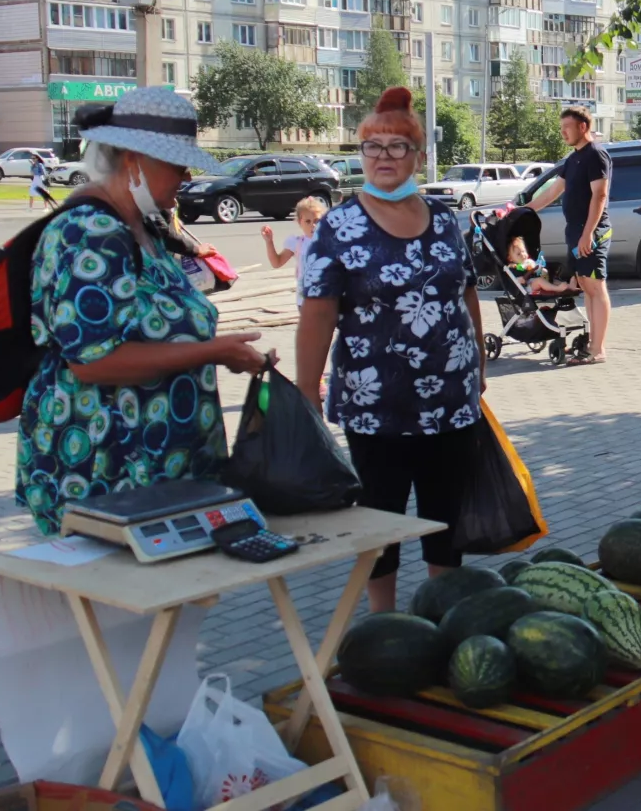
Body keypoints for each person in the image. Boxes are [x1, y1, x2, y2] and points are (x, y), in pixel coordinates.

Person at [14, 87, 271, 536]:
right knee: (123, 603)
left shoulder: (141, 228)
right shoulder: (92, 233)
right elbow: (92, 362)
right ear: (132, 159)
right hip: (108, 469)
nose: (186, 174)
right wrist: (211, 352)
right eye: (175, 163)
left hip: (157, 469)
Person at [295, 86, 487, 612]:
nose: (383, 157)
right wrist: (306, 391)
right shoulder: (340, 226)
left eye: (396, 147)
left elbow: (465, 291)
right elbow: (317, 315)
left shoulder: (445, 218)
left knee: (444, 516)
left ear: (418, 156)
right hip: (376, 405)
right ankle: (384, 625)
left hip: (450, 401)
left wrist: (480, 366)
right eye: (372, 147)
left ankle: (440, 616)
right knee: (379, 517)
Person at [526, 107, 611, 365]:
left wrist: (587, 234)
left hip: (591, 232)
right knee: (585, 287)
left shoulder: (596, 155)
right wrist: (521, 211)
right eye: (561, 126)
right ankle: (591, 347)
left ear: (582, 127)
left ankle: (597, 349)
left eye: (567, 127)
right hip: (574, 231)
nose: (562, 132)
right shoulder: (572, 160)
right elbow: (552, 193)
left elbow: (599, 195)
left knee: (596, 287)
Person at [261, 195, 326, 305]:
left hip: (326, 297)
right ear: (300, 222)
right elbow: (276, 263)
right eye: (308, 221)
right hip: (305, 300)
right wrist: (269, 242)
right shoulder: (297, 243)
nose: (313, 225)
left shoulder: (329, 241)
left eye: (317, 220)